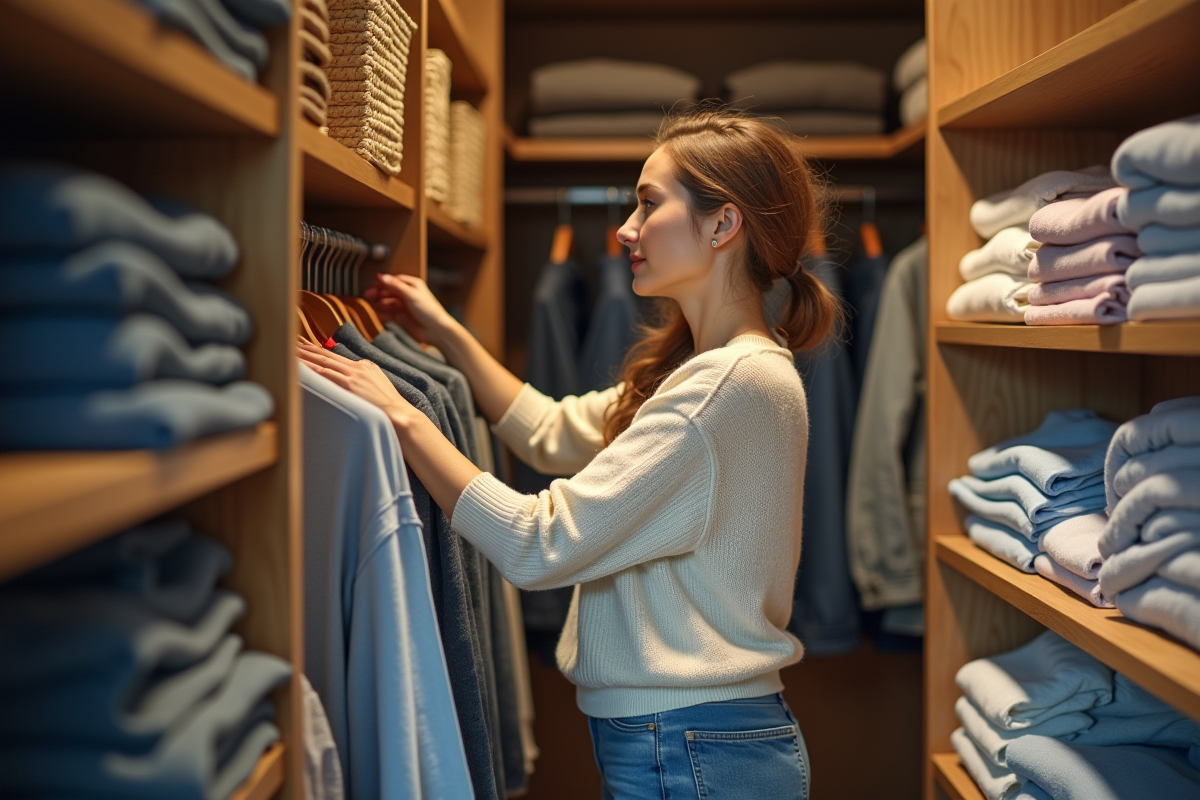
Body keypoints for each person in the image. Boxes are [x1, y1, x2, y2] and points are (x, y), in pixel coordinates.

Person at [297, 105, 839, 800]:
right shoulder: (724, 370)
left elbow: (538, 543)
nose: (625, 230)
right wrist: (447, 335)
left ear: (722, 224)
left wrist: (402, 415)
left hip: (691, 742)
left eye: (648, 204)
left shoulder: (726, 385)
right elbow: (551, 430)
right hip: (692, 739)